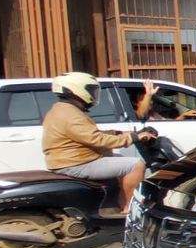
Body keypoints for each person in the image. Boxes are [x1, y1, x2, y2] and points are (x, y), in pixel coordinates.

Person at [41, 72, 155, 216]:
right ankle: (131, 210)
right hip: (76, 163)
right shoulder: (70, 114)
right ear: (76, 90)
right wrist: (132, 138)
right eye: (91, 90)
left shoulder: (62, 109)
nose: (93, 94)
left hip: (71, 160)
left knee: (120, 159)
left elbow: (87, 134)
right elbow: (97, 140)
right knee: (136, 165)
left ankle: (118, 204)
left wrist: (118, 133)